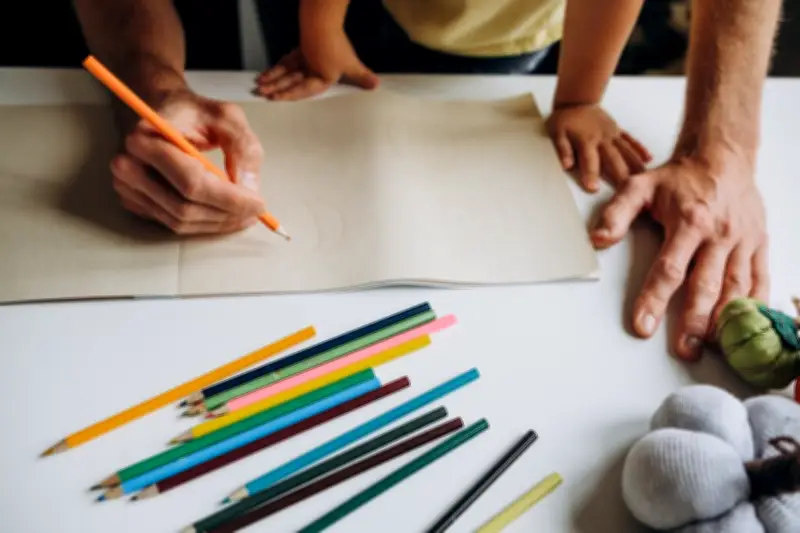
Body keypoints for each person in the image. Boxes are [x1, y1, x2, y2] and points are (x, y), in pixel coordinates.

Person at [73, 0, 780, 361]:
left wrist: (576, 99)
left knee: (479, 79)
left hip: (510, 38)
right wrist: (323, 36)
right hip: (383, 19)